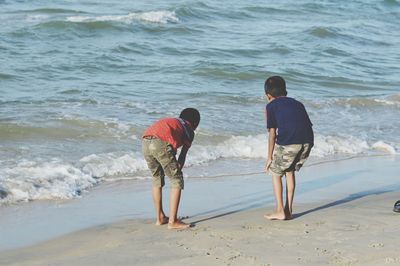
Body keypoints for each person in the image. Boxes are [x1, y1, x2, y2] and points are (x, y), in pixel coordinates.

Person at [264, 76, 313, 220]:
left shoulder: (271, 106)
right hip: (307, 141)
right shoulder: (298, 103)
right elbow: (305, 124)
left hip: (290, 142)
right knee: (289, 171)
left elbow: (272, 134)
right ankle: (288, 210)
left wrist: (269, 157)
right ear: (285, 91)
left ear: (268, 95)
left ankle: (280, 210)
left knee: (275, 172)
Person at [142, 108, 200, 229]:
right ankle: (173, 222)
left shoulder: (175, 122)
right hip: (160, 142)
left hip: (145, 141)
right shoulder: (189, 130)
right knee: (177, 180)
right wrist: (177, 171)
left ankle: (160, 218)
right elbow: (182, 155)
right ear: (195, 123)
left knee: (157, 178)